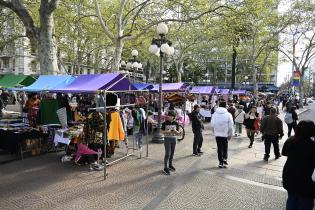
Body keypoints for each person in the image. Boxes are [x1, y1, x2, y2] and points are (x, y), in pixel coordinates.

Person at [282, 121, 315, 210]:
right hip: (305, 179)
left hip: (289, 175)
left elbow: (284, 153)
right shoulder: (312, 145)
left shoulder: (291, 140)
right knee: (305, 203)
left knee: (292, 199)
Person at [210, 101, 234, 168]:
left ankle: (220, 162)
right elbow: (231, 126)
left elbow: (212, 125)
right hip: (225, 134)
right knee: (225, 146)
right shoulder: (228, 114)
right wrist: (230, 134)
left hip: (217, 134)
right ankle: (225, 159)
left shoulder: (215, 114)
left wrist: (214, 132)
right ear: (225, 106)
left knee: (219, 147)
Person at [161, 111, 180, 175]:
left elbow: (178, 133)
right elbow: (161, 131)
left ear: (173, 117)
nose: (168, 116)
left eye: (170, 116)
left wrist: (175, 131)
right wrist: (167, 131)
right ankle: (165, 167)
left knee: (172, 153)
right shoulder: (165, 123)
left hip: (174, 139)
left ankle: (170, 165)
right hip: (167, 139)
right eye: (168, 115)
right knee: (167, 154)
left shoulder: (176, 123)